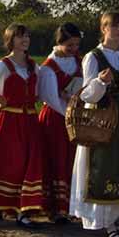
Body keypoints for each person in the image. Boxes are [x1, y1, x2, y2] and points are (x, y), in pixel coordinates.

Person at [70, 12, 119, 237]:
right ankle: (108, 224)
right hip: (103, 119)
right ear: (103, 29)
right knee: (103, 168)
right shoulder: (94, 57)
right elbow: (87, 94)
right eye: (114, 26)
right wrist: (100, 82)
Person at [0, 23, 50, 227]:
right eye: (20, 36)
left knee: (29, 162)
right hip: (10, 120)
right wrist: (3, 101)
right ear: (10, 40)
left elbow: (39, 92)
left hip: (30, 119)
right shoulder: (3, 65)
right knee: (10, 161)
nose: (25, 40)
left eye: (27, 36)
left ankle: (21, 209)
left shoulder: (33, 66)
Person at [36, 23, 83, 223]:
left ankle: (72, 207)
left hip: (75, 117)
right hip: (55, 118)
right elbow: (50, 97)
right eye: (69, 45)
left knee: (72, 159)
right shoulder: (49, 67)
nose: (73, 49)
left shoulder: (80, 61)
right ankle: (55, 208)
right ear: (60, 42)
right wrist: (69, 113)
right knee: (56, 159)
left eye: (76, 44)